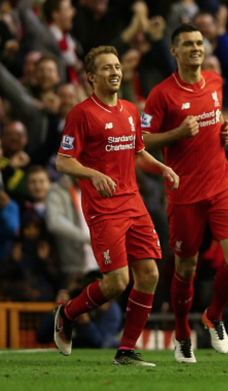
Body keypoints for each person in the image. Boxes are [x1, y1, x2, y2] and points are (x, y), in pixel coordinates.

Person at [53, 45, 179, 367]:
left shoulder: (130, 110)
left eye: (118, 66)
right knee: (116, 283)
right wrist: (93, 174)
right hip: (103, 208)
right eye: (107, 68)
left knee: (149, 274)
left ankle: (125, 351)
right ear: (91, 77)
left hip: (133, 203)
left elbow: (138, 153)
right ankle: (67, 314)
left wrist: (162, 167)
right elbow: (64, 162)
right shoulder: (82, 114)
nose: (115, 72)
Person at [141, 24, 228, 363]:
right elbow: (142, 141)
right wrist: (177, 133)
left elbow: (215, 123)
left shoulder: (215, 81)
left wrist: (224, 132)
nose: (195, 48)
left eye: (199, 43)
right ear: (175, 51)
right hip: (184, 193)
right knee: (186, 268)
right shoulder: (161, 94)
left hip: (220, 184)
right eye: (187, 44)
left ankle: (213, 315)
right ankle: (182, 333)